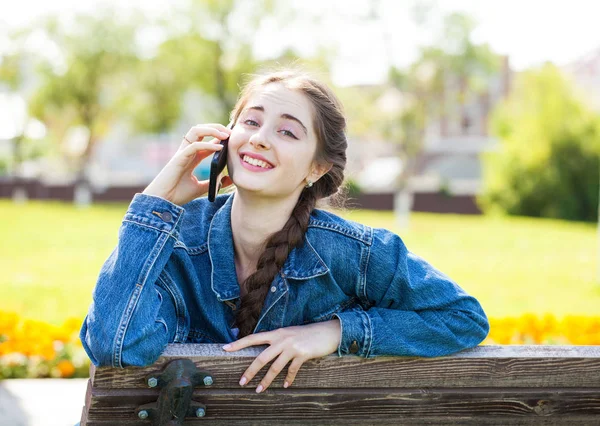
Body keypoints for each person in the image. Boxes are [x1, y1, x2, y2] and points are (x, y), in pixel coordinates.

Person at [79, 69, 489, 394]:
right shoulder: (177, 240)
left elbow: (463, 318)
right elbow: (117, 343)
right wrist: (157, 202)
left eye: (287, 131)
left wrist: (335, 333)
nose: (259, 139)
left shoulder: (355, 252)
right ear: (223, 140)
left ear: (317, 168)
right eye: (251, 122)